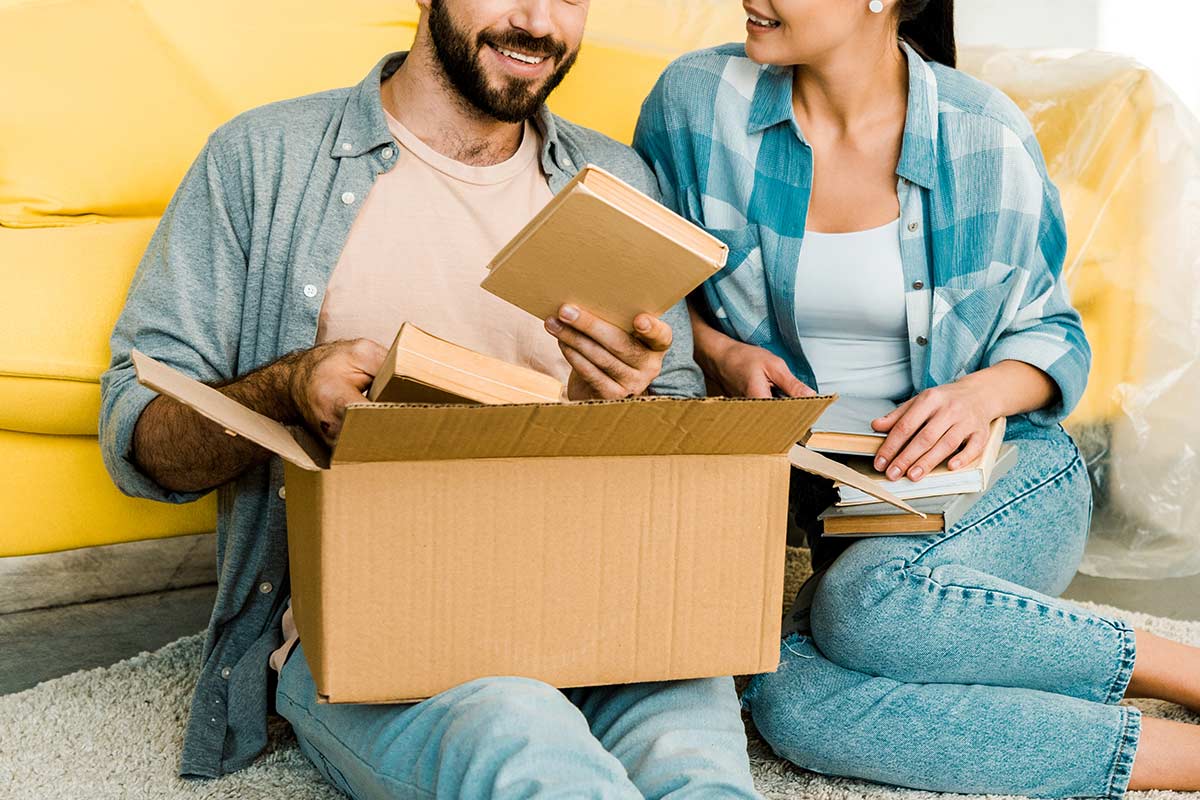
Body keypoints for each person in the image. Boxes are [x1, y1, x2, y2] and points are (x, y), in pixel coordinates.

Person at [98, 1, 762, 796]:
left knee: (703, 776)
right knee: (527, 750)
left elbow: (680, 445)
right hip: (377, 632)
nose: (540, 23)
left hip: (602, 608)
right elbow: (138, 438)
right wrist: (286, 388)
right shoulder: (262, 158)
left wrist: (609, 400)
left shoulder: (617, 183)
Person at [633, 0, 1200, 796]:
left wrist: (977, 396)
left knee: (869, 607)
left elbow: (1054, 334)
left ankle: (1188, 670)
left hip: (1002, 471)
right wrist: (723, 353)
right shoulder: (695, 103)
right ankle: (1182, 761)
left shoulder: (983, 134)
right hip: (825, 498)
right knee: (790, 702)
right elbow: (653, 272)